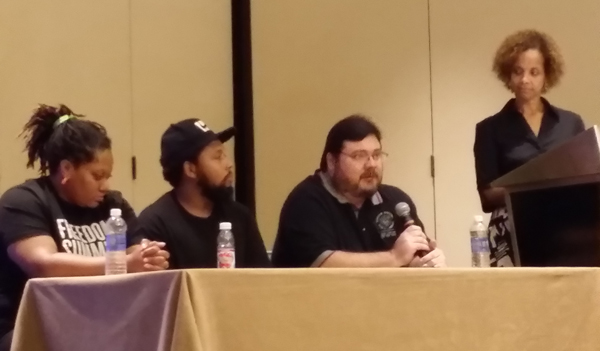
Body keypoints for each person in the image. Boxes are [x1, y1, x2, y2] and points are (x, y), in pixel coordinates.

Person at [0, 104, 169, 351]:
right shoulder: (25, 201)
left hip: (99, 326)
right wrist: (120, 263)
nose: (105, 185)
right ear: (67, 169)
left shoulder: (114, 206)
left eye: (108, 176)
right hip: (28, 330)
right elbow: (44, 266)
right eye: (97, 175)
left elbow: (138, 256)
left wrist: (150, 259)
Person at [272, 115, 446, 268]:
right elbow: (325, 265)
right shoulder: (306, 202)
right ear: (332, 161)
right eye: (359, 156)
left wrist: (422, 262)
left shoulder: (396, 202)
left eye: (376, 155)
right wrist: (394, 257)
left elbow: (411, 257)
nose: (371, 164)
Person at [474, 29, 586, 267]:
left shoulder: (571, 123)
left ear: (547, 76)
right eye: (518, 71)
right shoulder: (489, 129)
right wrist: (540, 189)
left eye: (534, 72)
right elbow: (487, 196)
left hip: (567, 232)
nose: (525, 79)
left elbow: (584, 182)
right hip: (511, 231)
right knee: (514, 302)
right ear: (508, 75)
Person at [134, 118, 270, 269]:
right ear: (190, 169)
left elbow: (264, 281)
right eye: (218, 157)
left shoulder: (240, 217)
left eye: (225, 155)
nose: (229, 164)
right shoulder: (155, 224)